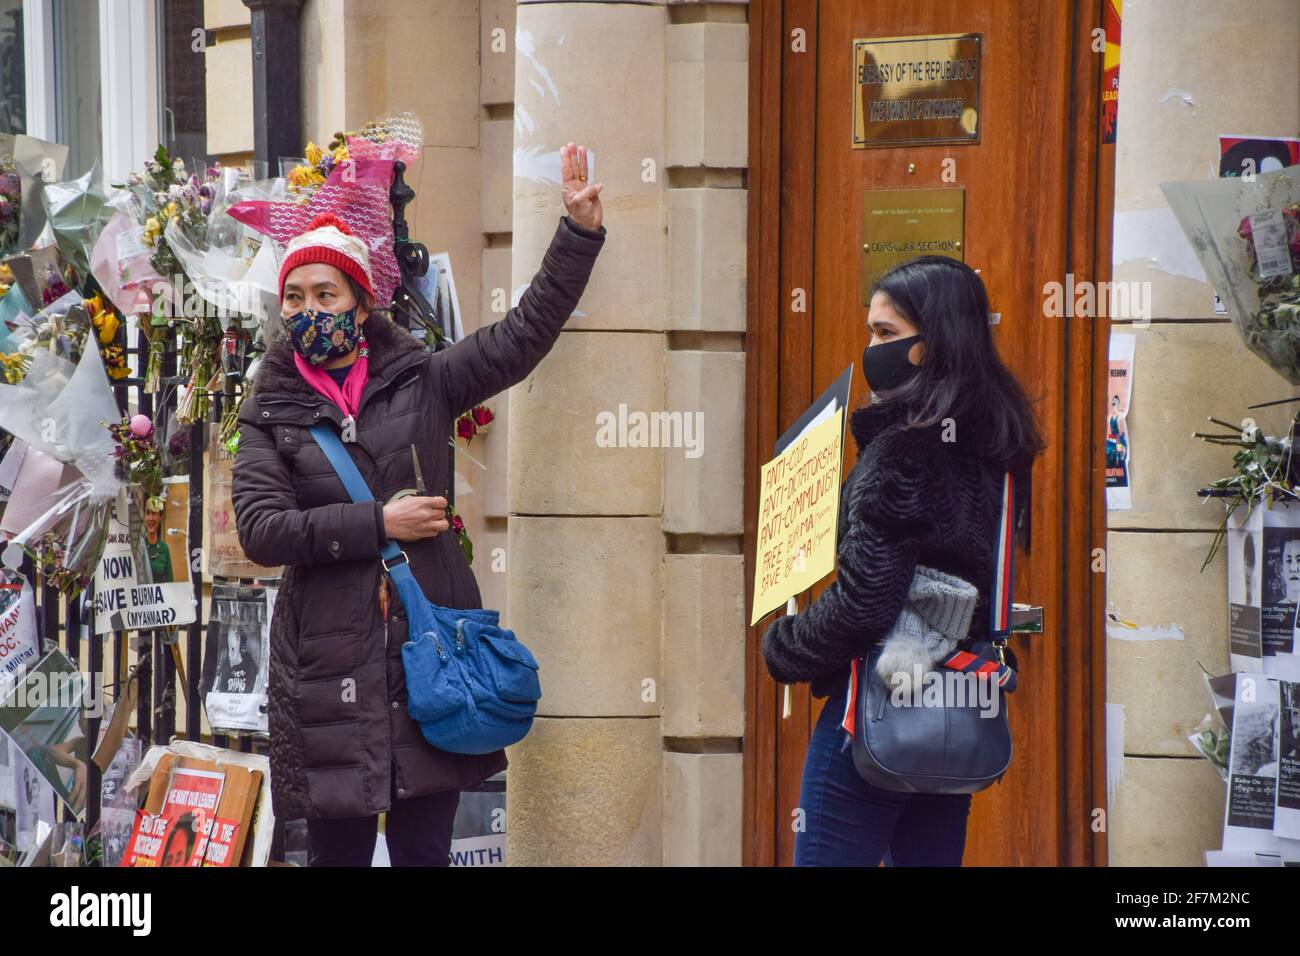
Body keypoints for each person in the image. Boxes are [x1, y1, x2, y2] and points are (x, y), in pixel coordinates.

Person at [231, 143, 604, 866]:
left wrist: (577, 236)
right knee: (336, 850)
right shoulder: (269, 409)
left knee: (424, 848)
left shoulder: (421, 381)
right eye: (296, 298)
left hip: (426, 648)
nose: (310, 311)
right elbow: (262, 529)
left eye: (326, 295)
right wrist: (379, 523)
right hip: (326, 662)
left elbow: (518, 338)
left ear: (362, 304)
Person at [762, 255, 1043, 867]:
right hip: (956, 711)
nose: (872, 348)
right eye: (871, 331)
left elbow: (865, 602)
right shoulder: (997, 446)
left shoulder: (902, 452)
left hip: (874, 710)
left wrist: (785, 645)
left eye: (887, 334)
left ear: (934, 342)